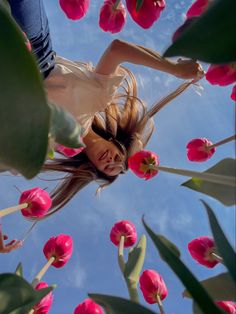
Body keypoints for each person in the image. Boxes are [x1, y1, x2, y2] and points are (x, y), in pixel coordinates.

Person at [8, 0, 204, 218]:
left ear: (94, 168)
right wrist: (174, 69)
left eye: (110, 168)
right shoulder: (99, 98)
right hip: (35, 51)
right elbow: (117, 50)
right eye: (119, 157)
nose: (113, 161)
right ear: (114, 141)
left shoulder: (48, 148)